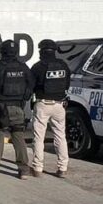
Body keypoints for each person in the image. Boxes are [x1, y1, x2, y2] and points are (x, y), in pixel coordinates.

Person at [0, 40, 34, 181]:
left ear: (2, 52)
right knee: (18, 136)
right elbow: (31, 85)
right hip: (18, 108)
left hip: (0, 109)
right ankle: (24, 171)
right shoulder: (23, 67)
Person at [30, 38, 72, 178]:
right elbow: (67, 84)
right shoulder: (63, 65)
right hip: (59, 105)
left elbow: (30, 86)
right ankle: (63, 168)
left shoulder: (38, 67)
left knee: (38, 137)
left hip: (42, 104)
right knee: (60, 136)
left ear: (41, 51)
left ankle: (37, 168)